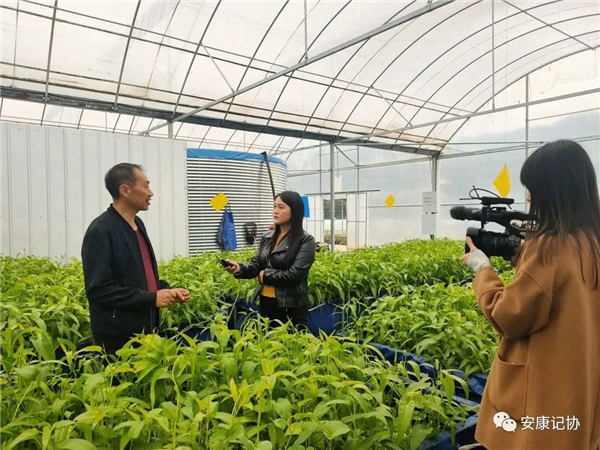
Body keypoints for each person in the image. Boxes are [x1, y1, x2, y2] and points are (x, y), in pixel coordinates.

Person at [462, 140, 600, 450]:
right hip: (581, 394)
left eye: (534, 189)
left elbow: (509, 316)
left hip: (543, 403)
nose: (528, 197)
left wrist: (482, 269)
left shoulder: (550, 249)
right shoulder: (591, 241)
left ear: (554, 191)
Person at [81, 163, 190, 354]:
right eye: (146, 186)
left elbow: (141, 275)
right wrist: (152, 298)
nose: (151, 192)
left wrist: (165, 290)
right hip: (120, 341)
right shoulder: (101, 230)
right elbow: (98, 290)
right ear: (125, 190)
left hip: (146, 332)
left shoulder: (137, 224)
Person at [223, 191, 315, 329]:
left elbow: (295, 275)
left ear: (294, 211)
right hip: (266, 301)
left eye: (281, 207)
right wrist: (239, 268)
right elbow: (256, 265)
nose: (275, 211)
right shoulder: (267, 237)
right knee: (268, 339)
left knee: (290, 340)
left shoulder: (305, 240)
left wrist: (264, 275)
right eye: (274, 206)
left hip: (290, 305)